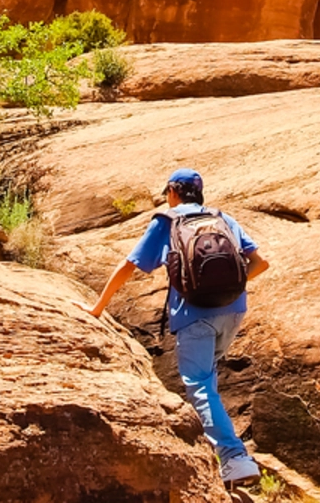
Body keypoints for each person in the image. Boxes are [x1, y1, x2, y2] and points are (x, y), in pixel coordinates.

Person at [84, 168, 270, 486]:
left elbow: (129, 265)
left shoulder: (167, 221)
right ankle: (221, 453)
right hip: (233, 311)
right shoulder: (221, 218)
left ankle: (234, 457)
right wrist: (227, 289)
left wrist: (96, 309)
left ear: (173, 192)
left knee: (198, 384)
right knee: (207, 379)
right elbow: (260, 263)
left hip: (194, 315)